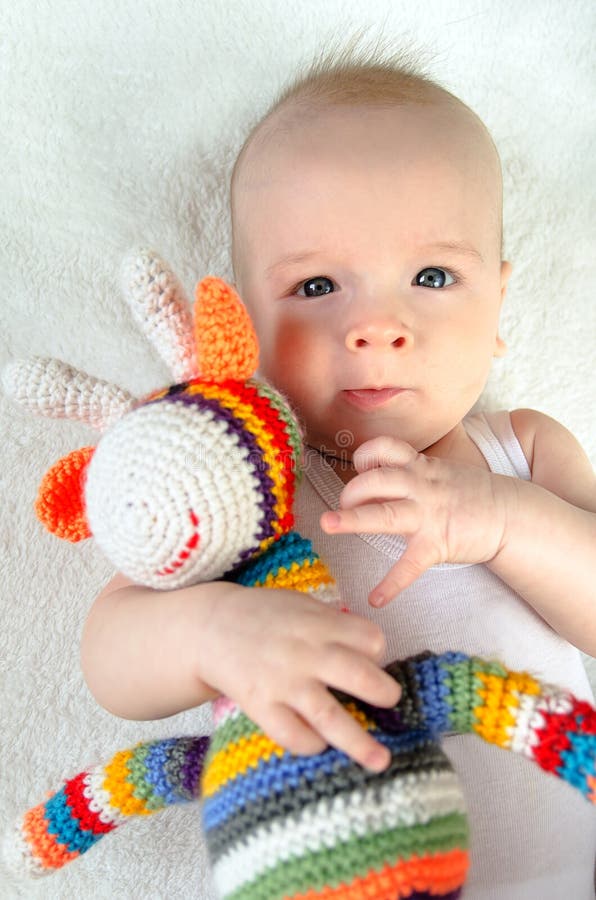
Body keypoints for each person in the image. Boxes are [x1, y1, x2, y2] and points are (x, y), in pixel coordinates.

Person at [81, 45, 596, 898]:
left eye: (433, 276)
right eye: (318, 285)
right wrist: (213, 634)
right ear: (242, 325)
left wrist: (502, 519)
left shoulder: (525, 451)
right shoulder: (243, 490)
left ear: (498, 307)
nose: (378, 327)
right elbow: (110, 656)